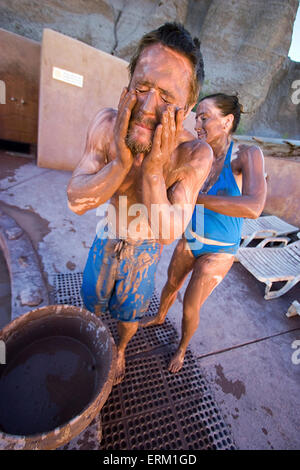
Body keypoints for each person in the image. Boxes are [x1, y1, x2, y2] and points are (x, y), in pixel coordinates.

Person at [67, 23, 213, 384]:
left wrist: (152, 170)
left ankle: (119, 350)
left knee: (130, 316)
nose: (148, 107)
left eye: (166, 98)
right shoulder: (107, 123)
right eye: (142, 87)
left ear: (189, 106)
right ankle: (95, 341)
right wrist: (120, 163)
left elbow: (167, 234)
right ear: (128, 83)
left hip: (144, 250)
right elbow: (76, 200)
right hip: (107, 235)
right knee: (93, 300)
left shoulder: (193, 154)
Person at [141, 93, 267, 373]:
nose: (198, 123)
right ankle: (160, 317)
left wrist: (196, 199)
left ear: (227, 121)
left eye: (205, 117)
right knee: (170, 284)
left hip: (219, 251)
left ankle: (182, 349)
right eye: (196, 117)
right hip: (190, 239)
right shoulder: (197, 150)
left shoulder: (245, 155)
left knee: (189, 306)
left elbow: (254, 206)